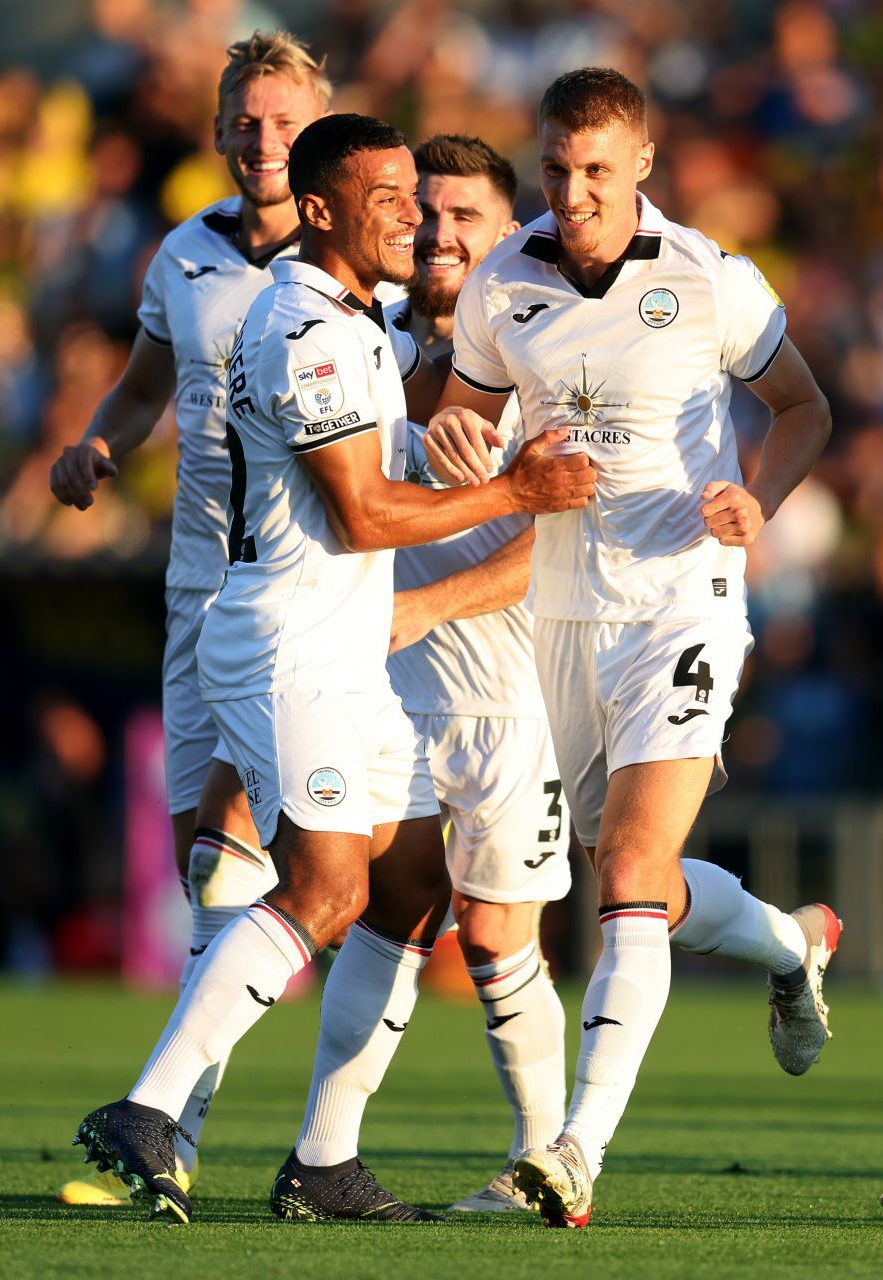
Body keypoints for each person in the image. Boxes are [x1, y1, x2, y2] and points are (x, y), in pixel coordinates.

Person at [70, 112, 595, 1225]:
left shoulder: (355, 322)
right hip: (292, 641)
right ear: (320, 210)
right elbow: (357, 513)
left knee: (390, 889)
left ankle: (319, 1161)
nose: (412, 215)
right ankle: (149, 1107)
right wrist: (514, 492)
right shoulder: (308, 326)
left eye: (422, 195)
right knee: (326, 887)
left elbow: (366, 466)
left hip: (338, 645)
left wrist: (432, 446)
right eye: (389, 197)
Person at [424, 67, 838, 1229]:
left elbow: (805, 407)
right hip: (558, 611)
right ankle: (789, 942)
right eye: (556, 169)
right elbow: (461, 411)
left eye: (597, 170)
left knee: (639, 867)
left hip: (681, 600)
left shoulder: (710, 278)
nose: (574, 191)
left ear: (643, 164)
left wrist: (759, 499)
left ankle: (575, 1151)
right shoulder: (505, 281)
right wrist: (463, 434)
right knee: (627, 879)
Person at [46, 30, 329, 1206]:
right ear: (217, 133)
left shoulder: (358, 252)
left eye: (283, 118)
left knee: (240, 859)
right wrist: (102, 438)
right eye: (245, 120)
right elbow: (150, 378)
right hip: (193, 586)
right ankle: (179, 1140)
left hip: (299, 591)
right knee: (202, 880)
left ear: (319, 125)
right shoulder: (184, 255)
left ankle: (170, 1127)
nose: (263, 139)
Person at [382, 134, 570, 1214]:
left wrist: (425, 605)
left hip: (514, 696)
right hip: (393, 695)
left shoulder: (544, 357)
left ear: (508, 234)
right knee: (374, 905)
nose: (441, 234)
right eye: (426, 214)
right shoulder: (366, 346)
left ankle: (546, 1160)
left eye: (466, 219)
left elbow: (561, 536)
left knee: (501, 933)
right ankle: (321, 1156)